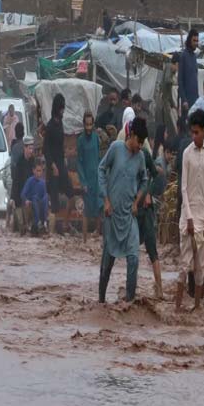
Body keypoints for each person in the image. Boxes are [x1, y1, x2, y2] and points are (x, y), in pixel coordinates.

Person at [99, 116, 149, 303]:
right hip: (112, 214)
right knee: (107, 261)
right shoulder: (116, 148)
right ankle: (101, 301)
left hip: (129, 216)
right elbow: (101, 169)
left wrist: (137, 201)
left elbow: (144, 180)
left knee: (133, 259)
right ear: (132, 135)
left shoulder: (141, 157)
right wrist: (105, 200)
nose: (141, 146)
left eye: (143, 143)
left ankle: (129, 302)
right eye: (139, 141)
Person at [175, 109, 204, 312]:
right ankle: (177, 307)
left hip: (203, 219)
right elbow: (183, 187)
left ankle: (198, 307)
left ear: (203, 131)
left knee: (201, 267)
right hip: (188, 217)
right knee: (184, 265)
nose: (194, 136)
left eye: (197, 132)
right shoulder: (186, 153)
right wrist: (189, 218)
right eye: (192, 132)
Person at [136, 116, 166, 299]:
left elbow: (156, 175)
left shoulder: (144, 154)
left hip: (144, 212)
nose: (139, 145)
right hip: (130, 211)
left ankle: (160, 289)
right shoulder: (122, 152)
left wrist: (148, 193)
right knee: (129, 251)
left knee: (152, 250)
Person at [77, 113, 104, 242]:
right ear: (83, 124)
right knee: (86, 210)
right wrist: (83, 182)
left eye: (90, 124)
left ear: (93, 124)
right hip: (86, 179)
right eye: (86, 124)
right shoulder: (80, 140)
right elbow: (79, 162)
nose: (88, 127)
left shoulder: (96, 138)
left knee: (99, 206)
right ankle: (84, 240)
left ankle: (98, 235)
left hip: (96, 177)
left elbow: (99, 157)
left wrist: (101, 176)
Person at [43, 93, 69, 226]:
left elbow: (61, 145)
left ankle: (66, 223)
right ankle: (54, 227)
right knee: (54, 195)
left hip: (61, 162)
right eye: (61, 109)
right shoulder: (50, 126)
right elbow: (46, 149)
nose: (63, 111)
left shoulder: (60, 125)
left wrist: (63, 159)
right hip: (52, 165)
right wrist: (52, 165)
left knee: (70, 190)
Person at [173, 28, 200, 118]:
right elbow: (180, 80)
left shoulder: (194, 56)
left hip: (195, 100)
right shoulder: (184, 56)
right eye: (194, 40)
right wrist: (184, 100)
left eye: (197, 40)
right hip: (187, 102)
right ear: (189, 40)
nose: (196, 43)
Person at [22, 161, 51, 235]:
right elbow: (23, 194)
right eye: (38, 171)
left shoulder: (43, 182)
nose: (39, 173)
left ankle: (43, 222)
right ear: (33, 171)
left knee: (46, 197)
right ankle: (37, 222)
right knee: (35, 198)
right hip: (32, 202)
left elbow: (44, 195)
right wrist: (26, 200)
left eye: (41, 171)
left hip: (40, 203)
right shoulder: (30, 181)